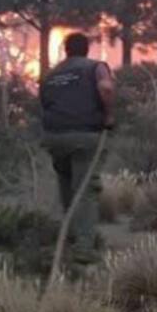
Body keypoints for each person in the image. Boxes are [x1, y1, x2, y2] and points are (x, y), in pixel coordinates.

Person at [39, 32, 115, 262]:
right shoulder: (96, 67)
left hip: (55, 138)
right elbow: (106, 88)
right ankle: (84, 249)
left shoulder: (50, 75)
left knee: (67, 188)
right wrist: (109, 116)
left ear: (66, 50)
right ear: (86, 49)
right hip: (85, 136)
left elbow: (44, 103)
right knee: (85, 190)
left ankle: (70, 237)